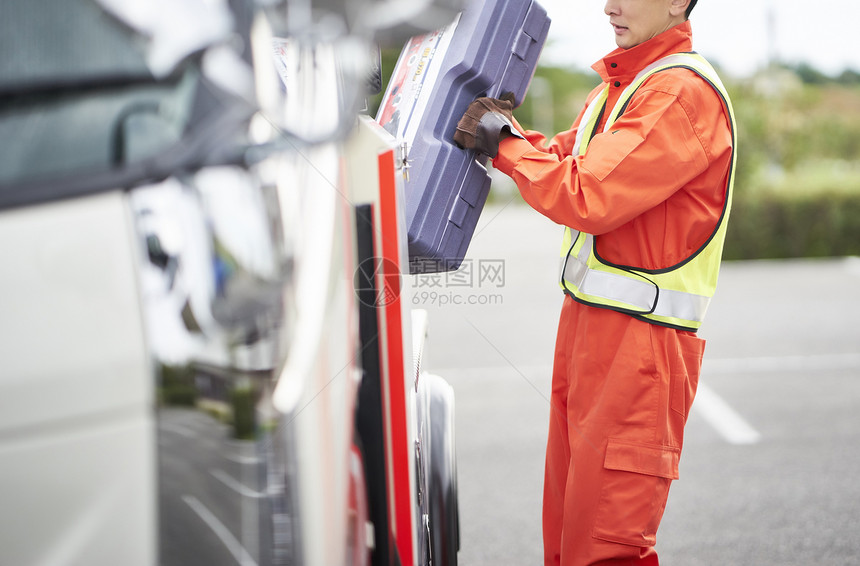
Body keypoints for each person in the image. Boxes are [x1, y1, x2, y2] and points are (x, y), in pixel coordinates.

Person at [454, 0, 735, 564]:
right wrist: (509, 134)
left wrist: (502, 145)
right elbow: (565, 156)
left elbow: (587, 192)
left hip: (641, 348)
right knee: (567, 536)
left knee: (606, 548)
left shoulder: (679, 93)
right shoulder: (624, 86)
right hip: (589, 333)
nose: (610, 5)